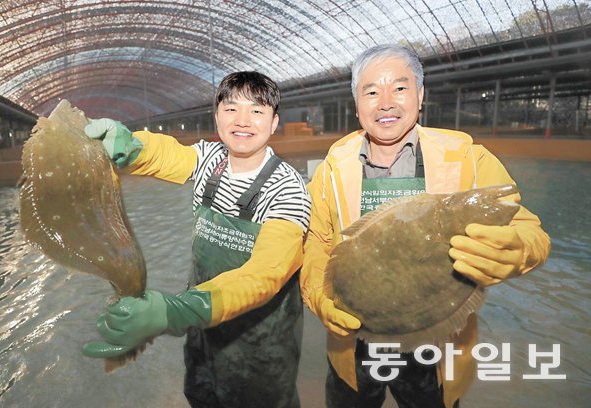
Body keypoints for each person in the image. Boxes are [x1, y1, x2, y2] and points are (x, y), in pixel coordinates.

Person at [300, 45, 550, 408]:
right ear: (357, 105)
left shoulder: (467, 157)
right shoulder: (331, 169)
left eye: (399, 88)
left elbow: (529, 230)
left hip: (436, 336)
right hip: (353, 336)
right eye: (371, 91)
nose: (386, 102)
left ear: (420, 95)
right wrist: (319, 297)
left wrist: (519, 250)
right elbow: (314, 240)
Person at [82, 71, 311, 408]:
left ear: (274, 122)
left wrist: (177, 310)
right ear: (217, 116)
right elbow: (166, 155)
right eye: (231, 109)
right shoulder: (210, 159)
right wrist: (130, 145)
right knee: (202, 395)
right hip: (203, 333)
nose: (243, 120)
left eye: (257, 111)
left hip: (259, 347)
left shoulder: (288, 189)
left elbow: (265, 275)